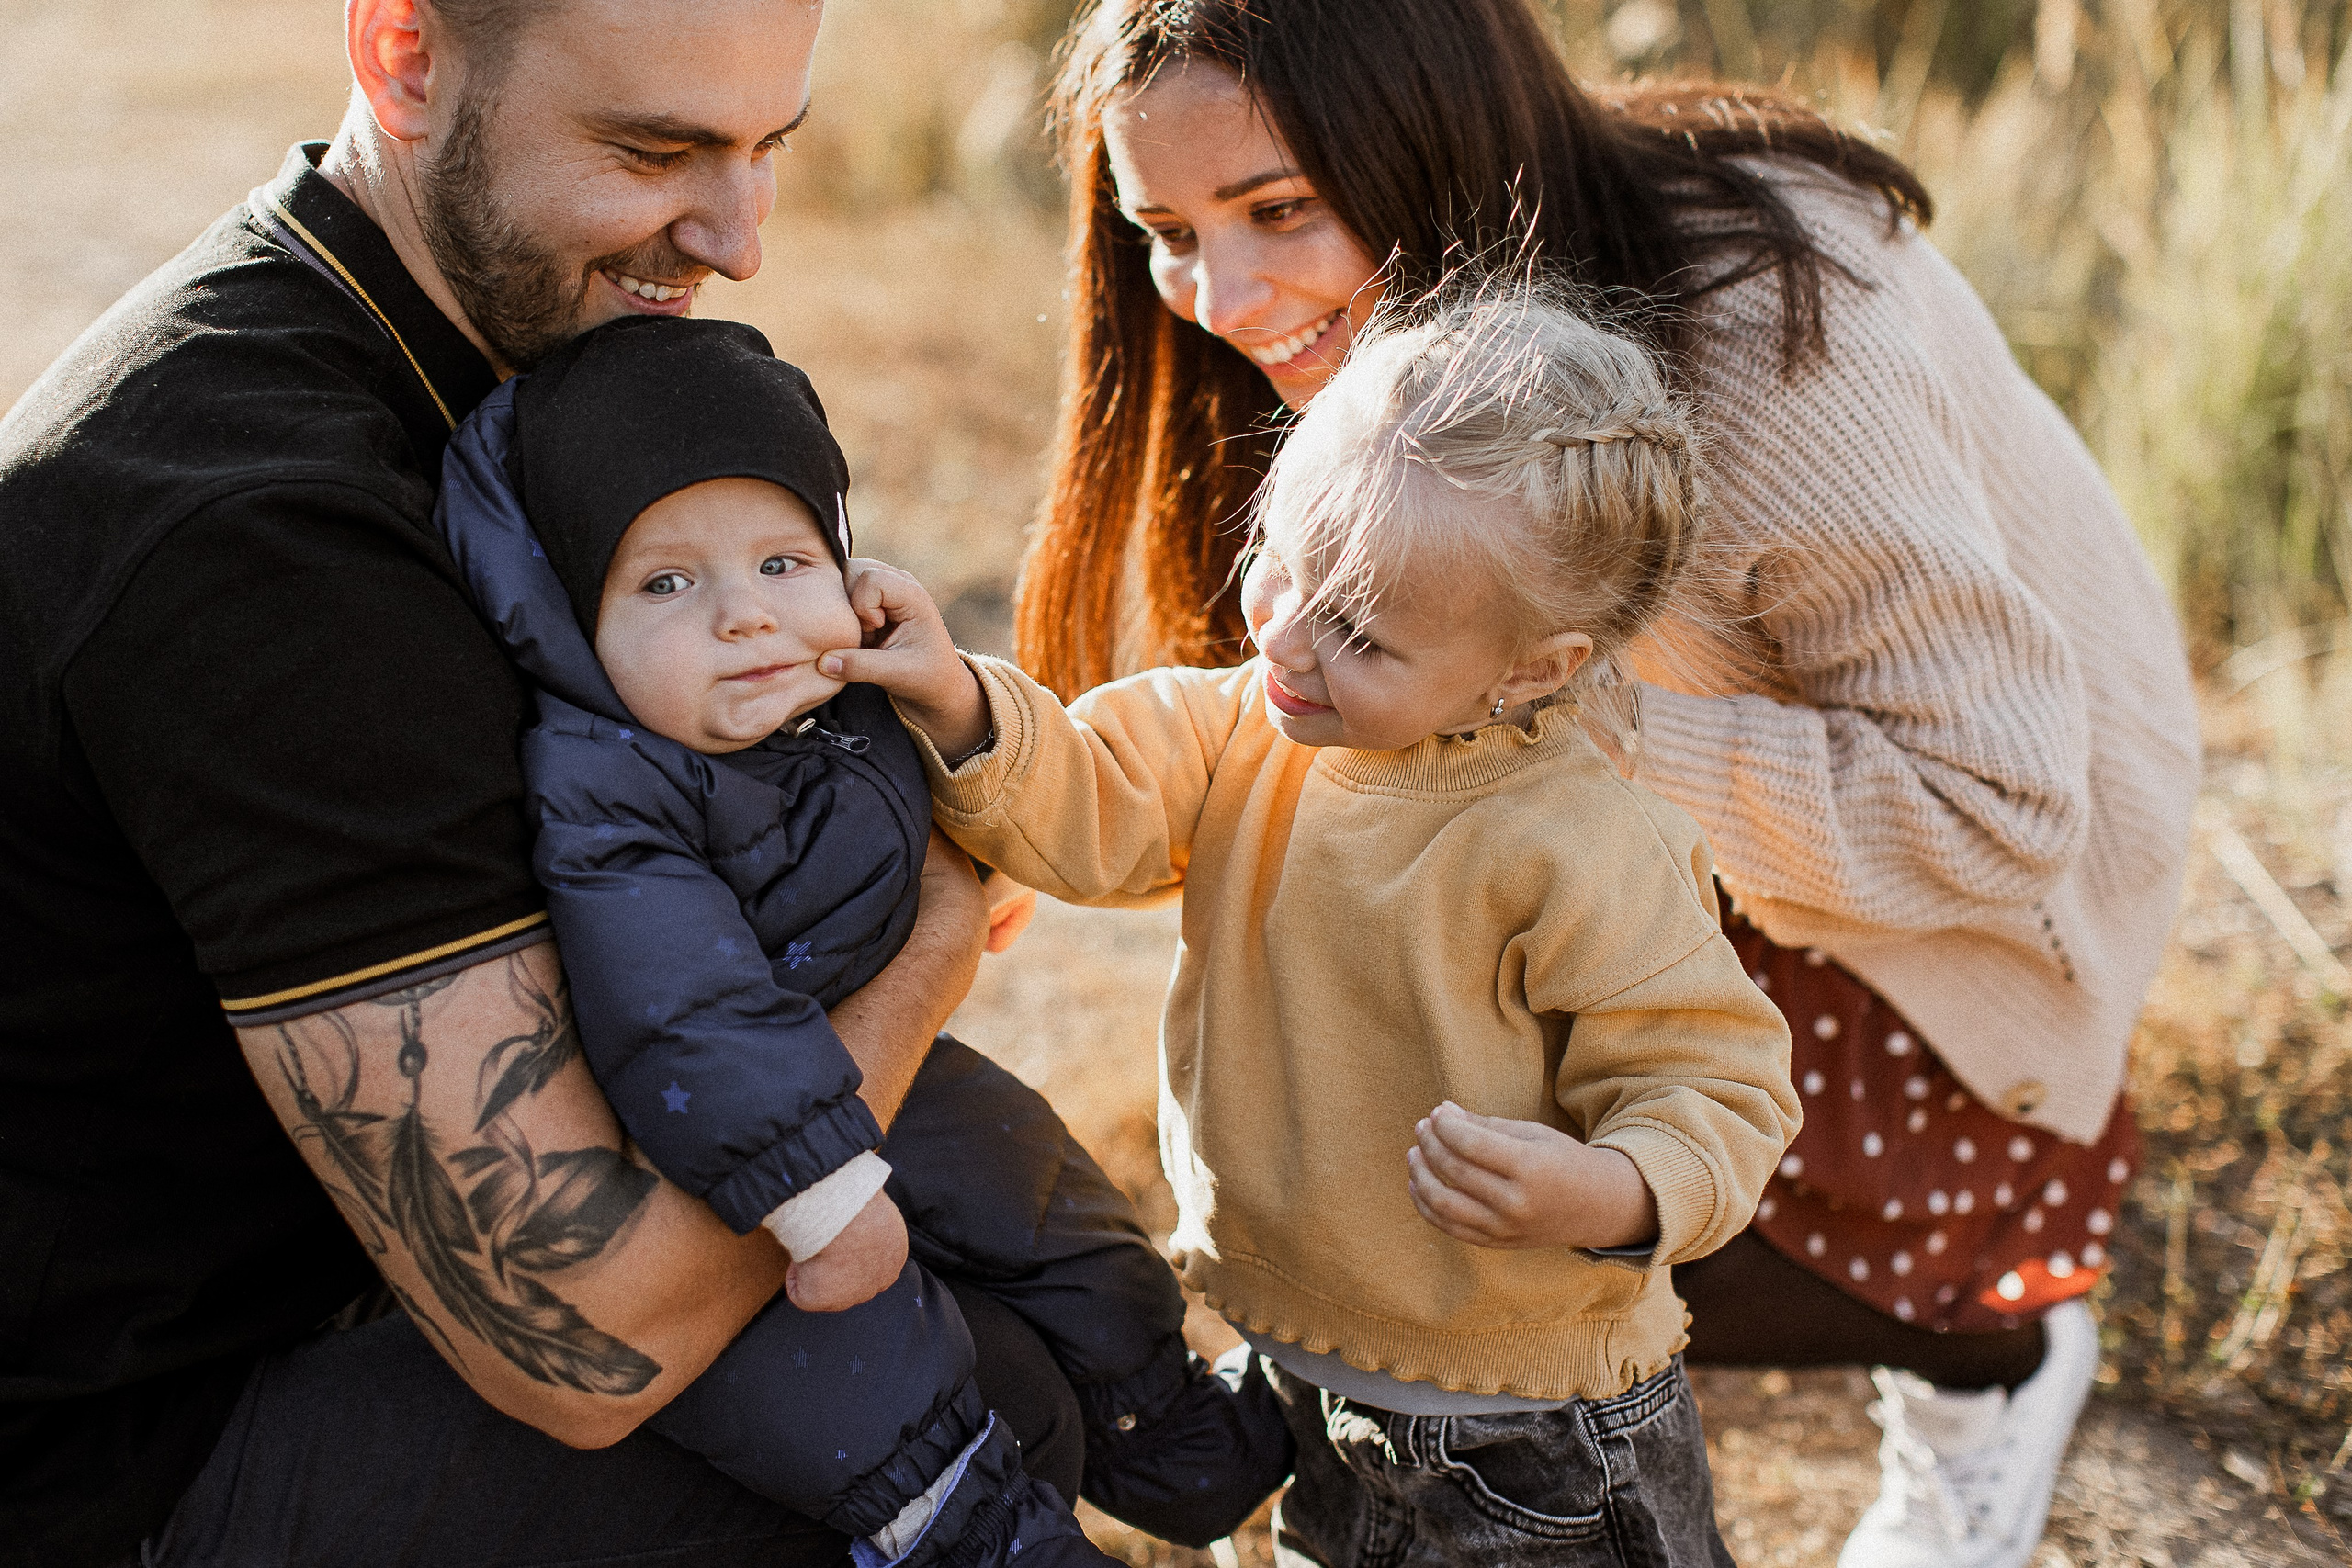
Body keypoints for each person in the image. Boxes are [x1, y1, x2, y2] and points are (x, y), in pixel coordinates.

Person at [1011, 4, 2201, 1565]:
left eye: (1279, 207)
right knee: (1407, 1090)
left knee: (1528, 1221)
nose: (1222, 295)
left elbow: (1995, 805)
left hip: (1968, 911)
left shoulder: (1771, 338)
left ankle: (1990, 1348)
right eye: (1166, 228)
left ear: (1422, 130)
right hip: (1672, 814)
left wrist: (1589, 729)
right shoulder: (1419, 328)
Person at [0, 3, 1102, 1565]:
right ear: (404, 55)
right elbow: (588, 1342)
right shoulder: (255, 542)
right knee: (970, 1433)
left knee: (1021, 1278)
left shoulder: (494, 362)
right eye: (654, 151)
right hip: (127, 1456)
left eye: (766, 148)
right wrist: (928, 931)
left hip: (315, 1271)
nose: (739, 241)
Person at [823, 282, 1801, 1568]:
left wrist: (1608, 1187)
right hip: (1311, 1376)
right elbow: (1086, 798)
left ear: (1536, 668)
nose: (1283, 633)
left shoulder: (1578, 845)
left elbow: (1719, 1082)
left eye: (1359, 632)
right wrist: (960, 703)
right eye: (1280, 558)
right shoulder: (1243, 729)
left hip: (1531, 1434)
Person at [427, 311, 1290, 1564]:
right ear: (568, 622)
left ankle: (1187, 1441)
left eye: (784, 562)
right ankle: (980, 1533)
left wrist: (951, 728)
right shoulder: (605, 786)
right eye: (666, 584)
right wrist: (821, 1195)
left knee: (1054, 1212)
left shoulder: (833, 696)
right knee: (862, 1383)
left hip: (900, 1081)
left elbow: (968, 780)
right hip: (726, 1156)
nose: (745, 618)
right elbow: (686, 1010)